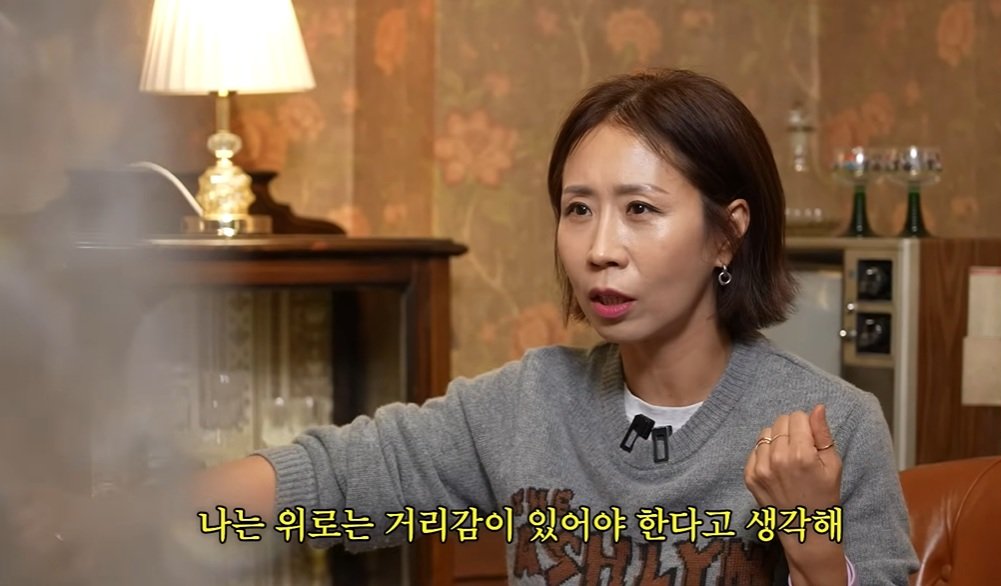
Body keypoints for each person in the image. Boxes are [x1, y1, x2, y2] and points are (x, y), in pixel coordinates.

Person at [191, 69, 920, 584]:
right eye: (578, 209)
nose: (600, 248)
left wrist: (811, 539)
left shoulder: (833, 426)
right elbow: (336, 482)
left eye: (639, 209)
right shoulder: (530, 403)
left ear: (726, 235)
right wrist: (160, 513)